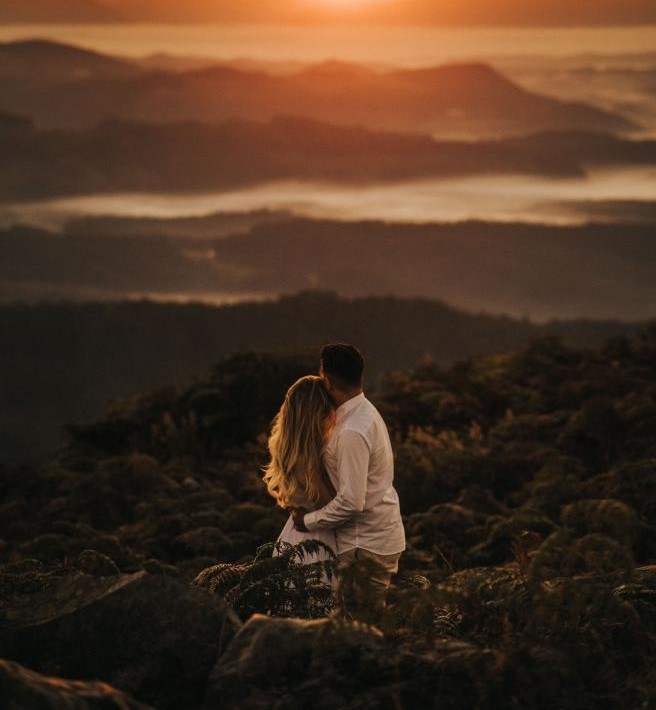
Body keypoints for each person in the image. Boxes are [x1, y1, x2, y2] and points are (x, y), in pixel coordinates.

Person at [290, 343, 406, 620]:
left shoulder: (351, 431)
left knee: (355, 627)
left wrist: (307, 521)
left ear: (327, 381)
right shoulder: (363, 412)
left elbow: (352, 503)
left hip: (363, 544)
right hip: (374, 535)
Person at [263, 375, 338, 565]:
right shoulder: (305, 460)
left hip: (299, 538)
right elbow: (331, 509)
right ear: (318, 413)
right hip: (316, 546)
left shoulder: (294, 452)